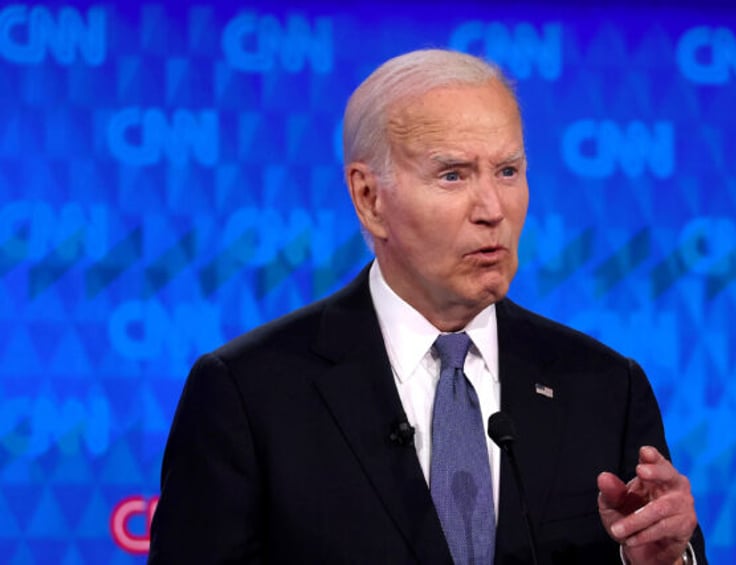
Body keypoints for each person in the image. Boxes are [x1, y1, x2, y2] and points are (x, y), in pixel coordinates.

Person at [148, 49, 707, 564]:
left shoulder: (605, 387)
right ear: (369, 199)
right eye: (453, 175)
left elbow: (659, 547)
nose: (492, 208)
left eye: (508, 171)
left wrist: (662, 562)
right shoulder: (249, 394)